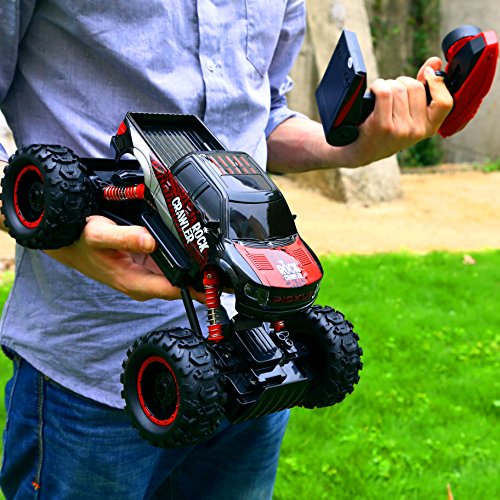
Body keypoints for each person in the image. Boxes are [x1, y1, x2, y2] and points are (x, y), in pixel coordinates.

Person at [0, 1, 453, 498]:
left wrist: (355, 145)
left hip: (254, 380)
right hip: (90, 373)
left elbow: (265, 118)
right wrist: (61, 234)